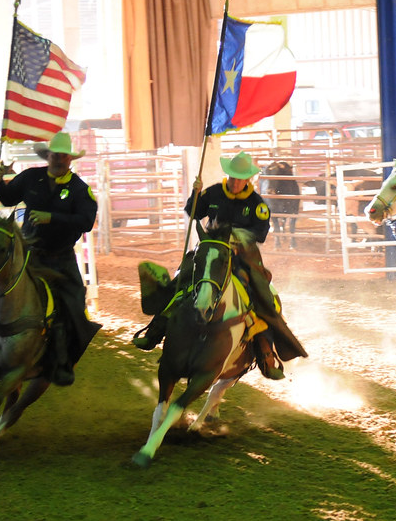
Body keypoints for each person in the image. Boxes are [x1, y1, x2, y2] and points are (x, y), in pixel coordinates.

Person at [0, 132, 101, 387]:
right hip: (28, 254)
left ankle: (63, 363)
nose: (58, 159)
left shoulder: (80, 189)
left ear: (70, 159)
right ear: (48, 156)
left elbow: (86, 222)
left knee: (75, 306)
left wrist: (52, 218)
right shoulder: (31, 177)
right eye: (55, 155)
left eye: (63, 156)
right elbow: (9, 197)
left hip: (61, 258)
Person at [132, 151, 307, 380]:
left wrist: (238, 237)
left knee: (260, 294)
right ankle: (157, 328)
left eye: (240, 178)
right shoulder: (213, 192)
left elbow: (261, 233)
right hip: (210, 251)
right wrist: (195, 195)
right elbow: (193, 212)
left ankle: (265, 351)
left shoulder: (257, 203)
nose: (235, 182)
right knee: (182, 278)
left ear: (249, 180)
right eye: (232, 177)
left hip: (241, 256)